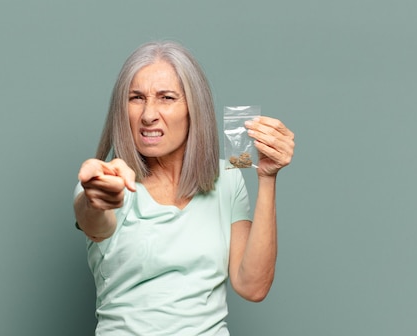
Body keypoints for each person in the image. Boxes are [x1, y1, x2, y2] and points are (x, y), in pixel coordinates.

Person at [73, 40, 295, 335]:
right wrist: (95, 197)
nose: (148, 114)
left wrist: (267, 178)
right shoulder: (108, 179)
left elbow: (252, 287)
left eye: (166, 97)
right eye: (136, 97)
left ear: (194, 108)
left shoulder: (226, 177)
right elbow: (94, 219)